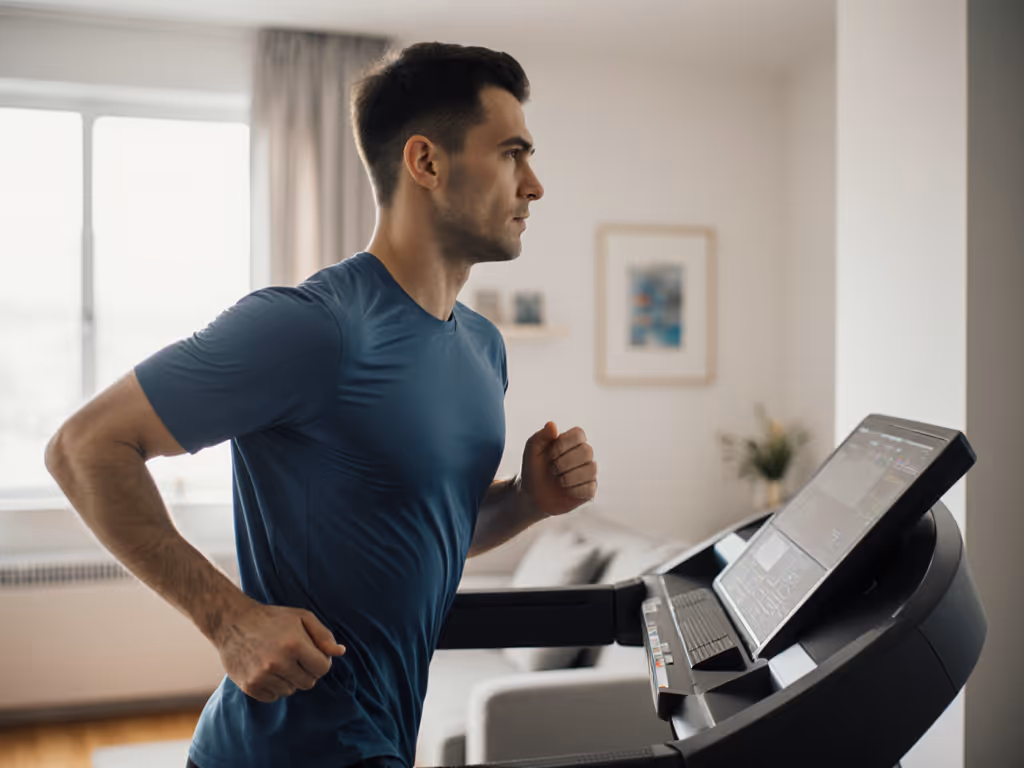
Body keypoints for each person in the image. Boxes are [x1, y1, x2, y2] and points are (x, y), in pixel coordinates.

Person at [44, 41, 598, 768]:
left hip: (383, 743)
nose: (535, 185)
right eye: (511, 154)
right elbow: (83, 447)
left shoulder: (482, 348)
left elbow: (424, 532)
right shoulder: (313, 327)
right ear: (426, 163)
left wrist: (526, 500)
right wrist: (229, 621)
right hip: (280, 751)